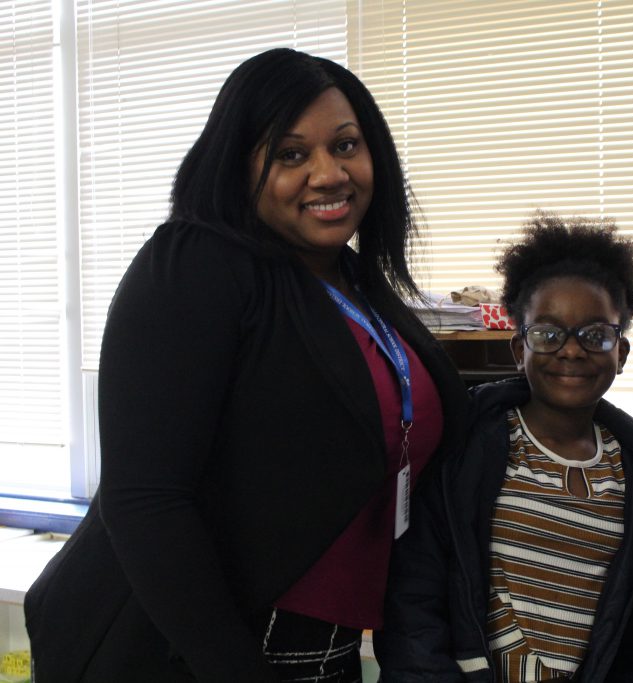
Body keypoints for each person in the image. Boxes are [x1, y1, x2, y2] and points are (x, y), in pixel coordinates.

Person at [24, 48, 467, 682]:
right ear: (238, 166)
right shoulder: (195, 265)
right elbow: (145, 497)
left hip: (330, 648)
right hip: (191, 650)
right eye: (291, 155)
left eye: (346, 145)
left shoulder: (358, 286)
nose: (328, 173)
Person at [374, 213, 633, 682]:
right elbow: (415, 599)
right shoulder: (466, 443)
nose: (571, 351)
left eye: (596, 336)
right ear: (519, 349)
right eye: (548, 334)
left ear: (622, 352)